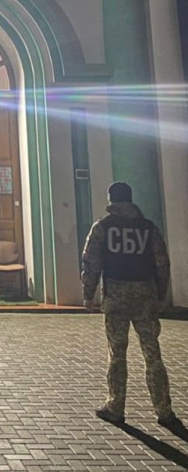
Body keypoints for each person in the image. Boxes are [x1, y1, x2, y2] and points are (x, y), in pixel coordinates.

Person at [81, 180, 182, 430]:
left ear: (111, 200)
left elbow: (91, 262)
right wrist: (160, 295)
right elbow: (162, 263)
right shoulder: (148, 228)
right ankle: (164, 410)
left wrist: (89, 294)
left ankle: (115, 406)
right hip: (145, 298)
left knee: (117, 354)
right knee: (152, 354)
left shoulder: (103, 227)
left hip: (116, 298)